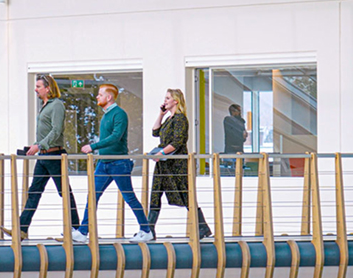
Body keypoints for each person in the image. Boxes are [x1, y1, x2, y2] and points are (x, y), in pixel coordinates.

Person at [72, 84, 153, 243]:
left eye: (100, 94)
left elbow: (116, 137)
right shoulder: (106, 115)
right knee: (92, 196)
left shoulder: (119, 114)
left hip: (118, 163)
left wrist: (93, 147)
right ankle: (83, 232)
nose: (97, 97)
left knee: (129, 197)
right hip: (104, 163)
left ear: (109, 97)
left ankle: (146, 230)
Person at [18, 74, 79, 237]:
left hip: (55, 155)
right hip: (44, 156)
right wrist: (36, 145)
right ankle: (21, 229)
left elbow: (56, 130)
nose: (35, 89)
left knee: (64, 192)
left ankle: (75, 228)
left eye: (38, 87)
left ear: (48, 88)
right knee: (34, 191)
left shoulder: (56, 105)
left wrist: (39, 145)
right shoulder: (44, 106)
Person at [148, 88, 211, 238]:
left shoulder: (180, 119)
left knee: (184, 194)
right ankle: (149, 229)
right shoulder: (169, 119)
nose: (165, 101)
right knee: (155, 193)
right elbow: (155, 132)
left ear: (176, 101)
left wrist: (161, 153)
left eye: (168, 98)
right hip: (164, 162)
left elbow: (177, 142)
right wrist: (161, 114)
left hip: (175, 163)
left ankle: (203, 227)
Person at [222, 103, 248, 174]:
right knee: (230, 170)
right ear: (232, 111)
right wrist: (241, 134)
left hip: (239, 148)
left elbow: (243, 137)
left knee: (240, 169)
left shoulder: (241, 121)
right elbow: (232, 134)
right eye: (238, 110)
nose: (239, 112)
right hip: (230, 148)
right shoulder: (228, 120)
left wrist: (244, 135)